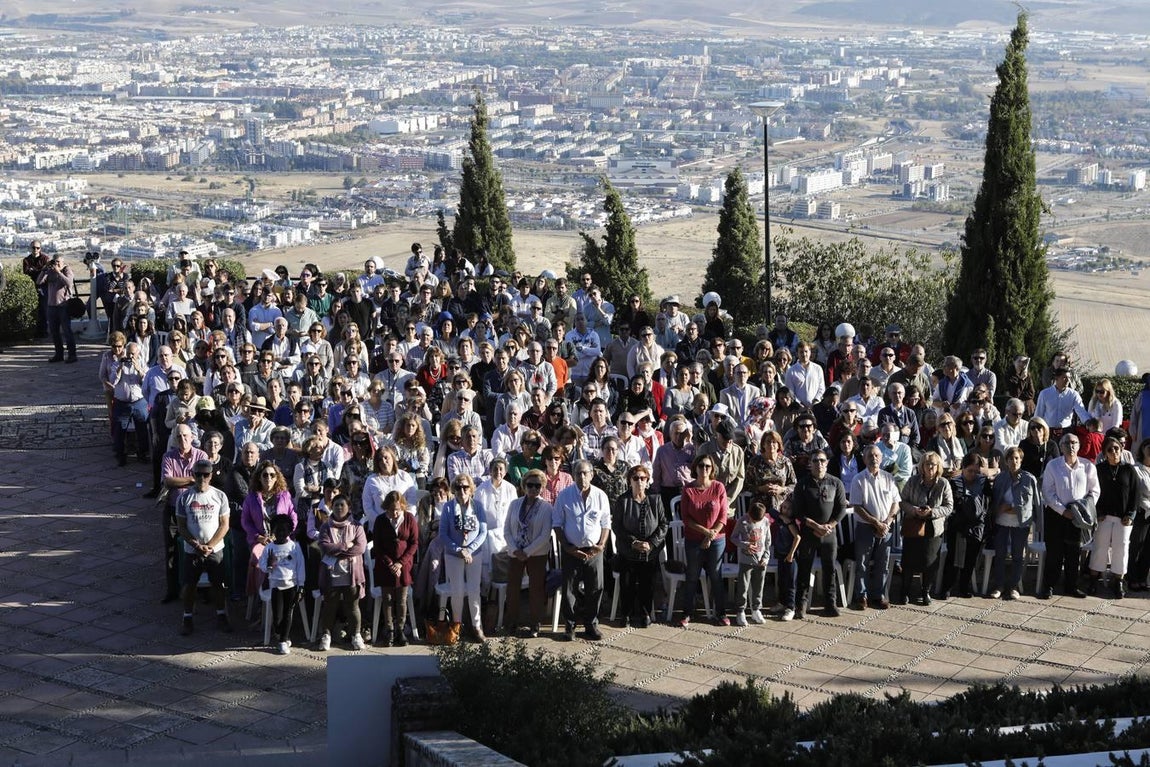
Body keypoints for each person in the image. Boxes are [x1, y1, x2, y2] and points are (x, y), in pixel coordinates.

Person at [553, 459, 611, 640]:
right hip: (572, 550)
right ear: (573, 475)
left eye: (585, 473)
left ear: (592, 475)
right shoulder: (564, 495)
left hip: (594, 551)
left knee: (596, 588)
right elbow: (557, 524)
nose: (582, 476)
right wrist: (568, 548)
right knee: (569, 589)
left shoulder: (601, 495)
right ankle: (569, 626)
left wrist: (601, 545)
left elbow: (606, 523)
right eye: (578, 473)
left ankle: (591, 625)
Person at [175, 459, 233, 636]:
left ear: (211, 476)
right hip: (192, 550)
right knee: (189, 585)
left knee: (219, 585)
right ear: (193, 475)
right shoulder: (184, 497)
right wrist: (195, 544)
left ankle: (221, 615)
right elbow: (181, 526)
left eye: (205, 474)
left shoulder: (220, 496)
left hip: (215, 550)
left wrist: (210, 545)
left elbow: (224, 525)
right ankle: (187, 617)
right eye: (198, 474)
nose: (202, 478)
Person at [1039, 433, 1100, 599]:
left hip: (1078, 517)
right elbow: (1048, 492)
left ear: (1079, 446)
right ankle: (1048, 586)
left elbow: (1095, 491)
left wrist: (1083, 507)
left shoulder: (1088, 466)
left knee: (1074, 553)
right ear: (1061, 446)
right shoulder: (1052, 466)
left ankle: (1071, 586)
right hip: (1057, 515)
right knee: (1054, 553)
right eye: (1067, 443)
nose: (1071, 446)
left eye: (1074, 442)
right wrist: (1063, 511)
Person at [792, 449, 848, 617]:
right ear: (810, 464)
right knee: (804, 567)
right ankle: (800, 605)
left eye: (822, 460)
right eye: (815, 460)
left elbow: (841, 509)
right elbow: (797, 512)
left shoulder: (836, 483)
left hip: (829, 534)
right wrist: (815, 526)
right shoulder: (802, 484)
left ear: (827, 463)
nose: (819, 464)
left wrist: (829, 526)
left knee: (829, 568)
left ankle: (830, 603)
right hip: (809, 533)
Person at [678, 454, 730, 627]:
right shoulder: (688, 489)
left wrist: (712, 534)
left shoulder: (718, 487)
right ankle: (687, 613)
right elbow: (686, 518)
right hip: (694, 539)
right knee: (692, 575)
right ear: (696, 468)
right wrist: (706, 533)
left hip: (717, 539)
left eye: (708, 466)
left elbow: (723, 515)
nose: (704, 469)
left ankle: (721, 613)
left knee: (715, 575)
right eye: (701, 466)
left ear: (712, 469)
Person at [613, 464, 667, 629]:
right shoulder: (623, 500)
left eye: (642, 478)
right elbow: (617, 526)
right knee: (627, 582)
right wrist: (633, 542)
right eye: (635, 478)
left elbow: (664, 524)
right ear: (630, 480)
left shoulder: (655, 499)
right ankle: (626, 614)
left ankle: (645, 613)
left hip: (650, 551)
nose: (639, 481)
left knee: (647, 583)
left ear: (647, 481)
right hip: (628, 550)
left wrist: (651, 543)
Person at [504, 469, 556, 638]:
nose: (533, 489)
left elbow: (545, 535)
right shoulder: (515, 504)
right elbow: (506, 530)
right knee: (512, 588)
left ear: (542, 487)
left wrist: (527, 551)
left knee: (536, 589)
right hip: (515, 552)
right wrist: (515, 549)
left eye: (537, 485)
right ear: (524, 485)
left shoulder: (547, 507)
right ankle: (511, 623)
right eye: (530, 485)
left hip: (536, 553)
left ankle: (535, 624)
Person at [897, 452, 954, 605]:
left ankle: (925, 591)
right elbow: (902, 501)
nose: (930, 467)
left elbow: (949, 507)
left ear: (938, 466)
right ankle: (904, 591)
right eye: (927, 464)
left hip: (933, 527)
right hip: (913, 525)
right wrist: (915, 510)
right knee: (908, 560)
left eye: (933, 464)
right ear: (922, 466)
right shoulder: (912, 481)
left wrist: (932, 512)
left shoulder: (943, 484)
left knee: (930, 562)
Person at [849, 444, 900, 610]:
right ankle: (861, 596)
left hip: (886, 528)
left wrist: (887, 522)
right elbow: (857, 507)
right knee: (862, 564)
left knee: (882, 564)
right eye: (870, 456)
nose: (874, 458)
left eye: (877, 455)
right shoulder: (858, 479)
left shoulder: (889, 478)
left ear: (882, 458)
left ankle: (879, 596)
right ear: (864, 459)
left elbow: (895, 503)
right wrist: (875, 523)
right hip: (866, 527)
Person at [439, 473, 488, 641]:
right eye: (458, 487)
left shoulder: (478, 506)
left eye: (465, 487)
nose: (462, 490)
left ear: (471, 489)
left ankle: (476, 626)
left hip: (474, 554)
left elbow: (483, 532)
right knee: (457, 591)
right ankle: (456, 625)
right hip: (454, 554)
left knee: (474, 591)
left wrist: (469, 549)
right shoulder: (448, 507)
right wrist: (459, 549)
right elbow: (443, 533)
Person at [988, 446, 1041, 600]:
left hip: (1020, 523)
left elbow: (1035, 503)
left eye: (1017, 458)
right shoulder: (1000, 478)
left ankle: (1014, 586)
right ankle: (999, 585)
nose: (1014, 461)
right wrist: (1000, 510)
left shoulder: (1029, 478)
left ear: (1021, 460)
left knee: (1018, 555)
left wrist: (1013, 508)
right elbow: (995, 500)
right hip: (1001, 521)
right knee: (1000, 554)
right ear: (1006, 461)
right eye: (1011, 459)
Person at [1088, 437, 1137, 598]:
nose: (1114, 452)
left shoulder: (1129, 470)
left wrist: (1130, 514)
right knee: (1100, 547)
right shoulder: (1099, 469)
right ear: (1104, 453)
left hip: (1123, 517)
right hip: (1104, 516)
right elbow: (1093, 492)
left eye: (1116, 448)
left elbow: (1135, 494)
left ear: (1121, 450)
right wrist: (1098, 512)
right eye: (1110, 449)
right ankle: (1094, 579)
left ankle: (1118, 581)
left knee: (1121, 549)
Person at [938, 453, 991, 600]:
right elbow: (952, 505)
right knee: (953, 557)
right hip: (959, 525)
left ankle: (963, 586)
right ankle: (946, 587)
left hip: (976, 525)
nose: (973, 474)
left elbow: (988, 501)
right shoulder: (955, 482)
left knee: (970, 558)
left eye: (975, 471)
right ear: (963, 469)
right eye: (969, 471)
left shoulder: (982, 481)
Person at [369, 491, 417, 647]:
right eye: (391, 510)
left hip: (404, 566)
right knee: (388, 599)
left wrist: (400, 563)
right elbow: (377, 546)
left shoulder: (409, 518)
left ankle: (401, 629)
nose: (395, 513)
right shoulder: (380, 521)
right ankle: (389, 630)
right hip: (385, 566)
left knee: (401, 600)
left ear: (402, 506)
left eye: (397, 509)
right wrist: (390, 564)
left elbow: (414, 543)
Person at [257, 514, 306, 654]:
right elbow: (262, 566)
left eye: (284, 531)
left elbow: (300, 567)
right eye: (277, 531)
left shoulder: (294, 547)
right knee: (277, 617)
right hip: (276, 585)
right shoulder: (269, 548)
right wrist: (269, 566)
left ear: (289, 531)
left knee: (288, 612)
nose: (281, 533)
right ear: (273, 531)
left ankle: (283, 641)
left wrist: (301, 586)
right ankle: (279, 632)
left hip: (291, 585)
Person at [731, 501, 771, 626]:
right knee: (743, 586)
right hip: (746, 560)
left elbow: (767, 541)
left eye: (756, 521)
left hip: (760, 561)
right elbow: (733, 537)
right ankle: (741, 611)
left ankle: (756, 609)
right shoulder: (742, 521)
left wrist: (766, 557)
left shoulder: (765, 522)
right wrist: (745, 544)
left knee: (759, 586)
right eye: (753, 520)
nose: (754, 522)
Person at [37, 255, 78, 364]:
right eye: (55, 262)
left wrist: (59, 272)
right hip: (51, 306)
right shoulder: (50, 271)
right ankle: (59, 354)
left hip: (63, 306)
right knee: (54, 332)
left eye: (59, 262)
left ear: (63, 261)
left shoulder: (66, 270)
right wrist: (44, 269)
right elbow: (39, 282)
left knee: (67, 331)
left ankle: (72, 355)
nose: (57, 264)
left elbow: (69, 283)